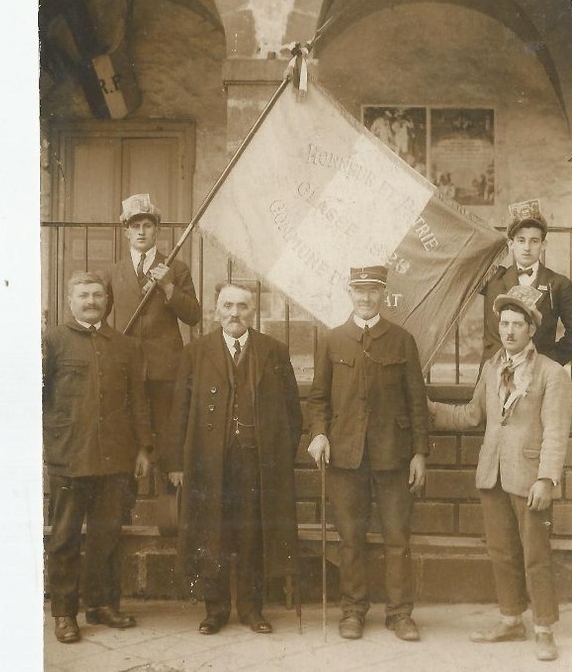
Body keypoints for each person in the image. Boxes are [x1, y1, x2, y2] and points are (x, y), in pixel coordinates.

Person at [428, 284, 572, 661]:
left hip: (530, 479)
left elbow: (556, 432)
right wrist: (425, 407)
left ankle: (543, 628)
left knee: (535, 554)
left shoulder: (551, 373)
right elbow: (471, 415)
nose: (508, 331)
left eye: (516, 325)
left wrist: (546, 478)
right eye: (504, 324)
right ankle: (511, 619)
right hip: (492, 473)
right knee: (502, 551)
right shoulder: (493, 368)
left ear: (531, 329)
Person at [166, 284, 302, 635]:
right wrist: (177, 464)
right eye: (227, 306)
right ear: (215, 311)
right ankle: (215, 610)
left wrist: (277, 458)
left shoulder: (273, 351)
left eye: (242, 306)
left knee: (251, 535)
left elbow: (292, 412)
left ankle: (251, 608)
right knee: (214, 532)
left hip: (256, 463)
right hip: (209, 463)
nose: (234, 313)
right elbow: (179, 412)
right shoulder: (196, 353)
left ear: (252, 312)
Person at [307, 266, 428, 642]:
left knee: (397, 537)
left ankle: (400, 613)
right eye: (359, 290)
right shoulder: (332, 340)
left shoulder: (401, 340)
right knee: (350, 538)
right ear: (349, 292)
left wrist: (420, 453)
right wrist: (319, 433)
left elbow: (417, 403)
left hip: (393, 456)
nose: (365, 297)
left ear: (383, 294)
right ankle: (353, 610)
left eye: (373, 291)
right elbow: (318, 398)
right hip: (345, 455)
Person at [43, 271, 152, 643]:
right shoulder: (52, 341)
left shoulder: (124, 346)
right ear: (70, 301)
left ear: (107, 301)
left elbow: (138, 401)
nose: (91, 301)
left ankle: (102, 605)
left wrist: (142, 448)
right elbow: (38, 399)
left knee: (107, 535)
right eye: (83, 295)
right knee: (65, 538)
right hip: (70, 456)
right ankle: (64, 613)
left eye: (97, 295)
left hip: (115, 459)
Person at [109, 194, 201, 466]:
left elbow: (193, 315)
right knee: (128, 438)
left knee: (168, 438)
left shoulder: (176, 268)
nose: (141, 231)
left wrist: (169, 287)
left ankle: (169, 502)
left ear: (156, 230)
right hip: (127, 367)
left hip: (165, 369)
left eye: (147, 225)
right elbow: (99, 317)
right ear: (126, 231)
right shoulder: (115, 271)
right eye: (135, 226)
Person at [480, 199, 572, 367]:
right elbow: (461, 262)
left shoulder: (558, 284)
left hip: (536, 375)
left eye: (534, 241)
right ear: (511, 244)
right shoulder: (492, 278)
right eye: (520, 240)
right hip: (494, 372)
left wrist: (548, 362)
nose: (527, 247)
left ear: (543, 244)